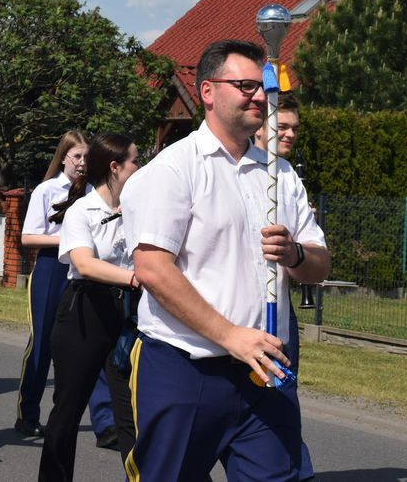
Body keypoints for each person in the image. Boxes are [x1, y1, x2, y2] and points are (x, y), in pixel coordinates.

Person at [121, 40, 330, 481]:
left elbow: (320, 264)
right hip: (186, 369)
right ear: (209, 92)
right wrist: (231, 336)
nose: (260, 96)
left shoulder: (279, 174)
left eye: (263, 87)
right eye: (246, 85)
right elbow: (153, 269)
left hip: (266, 374)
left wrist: (294, 254)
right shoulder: (172, 170)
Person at [38, 133, 141, 481]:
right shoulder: (82, 209)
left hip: (126, 315)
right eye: (135, 161)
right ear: (115, 167)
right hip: (84, 313)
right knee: (67, 412)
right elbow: (85, 264)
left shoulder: (138, 209)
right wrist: (132, 278)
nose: (140, 168)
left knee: (131, 417)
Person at [16, 131, 116, 447]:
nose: (83, 163)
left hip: (84, 273)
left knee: (95, 343)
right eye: (77, 157)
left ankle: (105, 423)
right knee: (43, 342)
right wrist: (71, 239)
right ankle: (28, 413)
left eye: (88, 157)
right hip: (50, 269)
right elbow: (28, 237)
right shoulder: (46, 190)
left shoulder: (93, 194)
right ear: (64, 158)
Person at [253, 93, 315, 482]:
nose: (290, 134)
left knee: (282, 405)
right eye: (283, 127)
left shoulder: (290, 174)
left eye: (295, 128)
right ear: (261, 127)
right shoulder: (237, 167)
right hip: (231, 319)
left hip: (278, 313)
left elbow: (315, 252)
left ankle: (296, 472)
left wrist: (298, 253)